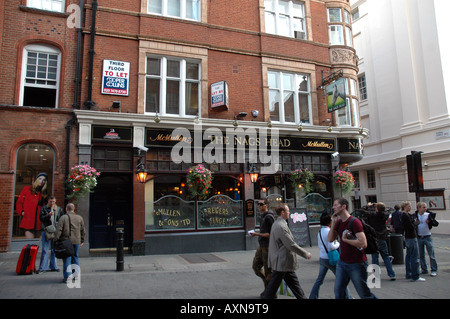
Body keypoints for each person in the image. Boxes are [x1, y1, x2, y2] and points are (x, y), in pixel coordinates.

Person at [328, 197, 377, 299]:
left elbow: (363, 244)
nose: (333, 207)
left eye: (336, 205)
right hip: (342, 263)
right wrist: (333, 222)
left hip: (356, 263)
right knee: (339, 292)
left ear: (343, 206)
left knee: (364, 294)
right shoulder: (339, 223)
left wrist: (346, 240)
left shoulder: (354, 222)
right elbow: (330, 239)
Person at [263, 204, 312, 299]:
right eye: (288, 211)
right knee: (273, 288)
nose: (289, 212)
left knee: (293, 285)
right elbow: (290, 244)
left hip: (283, 262)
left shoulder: (278, 223)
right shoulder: (281, 226)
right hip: (282, 261)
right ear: (282, 212)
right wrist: (305, 254)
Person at [309, 213, 351, 299]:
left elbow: (321, 245)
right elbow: (331, 246)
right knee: (342, 279)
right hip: (331, 258)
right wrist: (338, 244)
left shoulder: (320, 231)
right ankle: (348, 296)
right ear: (329, 222)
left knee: (319, 280)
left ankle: (312, 296)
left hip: (322, 257)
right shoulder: (329, 231)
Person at [250, 198, 275, 297]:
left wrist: (256, 234)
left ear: (266, 205)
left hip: (268, 247)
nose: (259, 206)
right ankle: (270, 288)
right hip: (262, 246)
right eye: (258, 204)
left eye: (261, 204)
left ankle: (270, 292)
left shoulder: (269, 217)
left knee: (268, 270)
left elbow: (271, 234)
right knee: (255, 266)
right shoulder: (263, 216)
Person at [55, 203, 85, 283]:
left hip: (66, 241)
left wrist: (56, 239)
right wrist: (82, 240)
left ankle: (67, 277)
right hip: (77, 241)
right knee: (75, 257)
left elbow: (59, 230)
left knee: (67, 258)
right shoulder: (79, 218)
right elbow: (83, 230)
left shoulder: (63, 218)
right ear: (74, 209)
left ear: (66, 209)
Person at [367, 202, 396, 280]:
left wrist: (369, 206)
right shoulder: (385, 215)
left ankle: (376, 275)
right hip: (382, 238)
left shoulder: (374, 216)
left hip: (375, 238)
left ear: (377, 209)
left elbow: (367, 214)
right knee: (386, 256)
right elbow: (384, 211)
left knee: (375, 257)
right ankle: (391, 274)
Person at [16, 172, 48, 239]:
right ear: (36, 180)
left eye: (44, 180)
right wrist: (22, 212)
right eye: (40, 179)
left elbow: (45, 208)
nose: (42, 181)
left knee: (38, 243)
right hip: (28, 220)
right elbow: (19, 202)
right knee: (30, 242)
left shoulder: (43, 194)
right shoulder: (27, 189)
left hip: (39, 221)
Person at [38, 196, 64, 273]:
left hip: (55, 230)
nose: (52, 203)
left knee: (54, 249)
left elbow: (61, 219)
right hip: (46, 230)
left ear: (55, 201)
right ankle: (43, 267)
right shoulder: (44, 208)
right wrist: (48, 215)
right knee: (45, 249)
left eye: (53, 201)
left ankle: (54, 266)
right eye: (50, 201)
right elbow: (41, 218)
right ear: (48, 201)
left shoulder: (58, 209)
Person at [401, 201, 425, 282]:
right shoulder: (406, 216)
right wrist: (415, 223)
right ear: (405, 207)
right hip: (411, 237)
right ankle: (415, 275)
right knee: (414, 256)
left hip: (408, 237)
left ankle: (409, 273)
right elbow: (411, 226)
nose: (410, 207)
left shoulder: (404, 215)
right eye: (409, 206)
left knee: (409, 256)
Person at [415, 202, 438, 277]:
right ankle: (424, 269)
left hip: (427, 236)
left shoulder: (428, 215)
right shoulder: (415, 215)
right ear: (419, 208)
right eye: (423, 207)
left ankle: (434, 269)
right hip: (419, 237)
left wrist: (430, 221)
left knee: (431, 254)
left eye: (425, 207)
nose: (425, 208)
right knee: (421, 254)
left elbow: (436, 223)